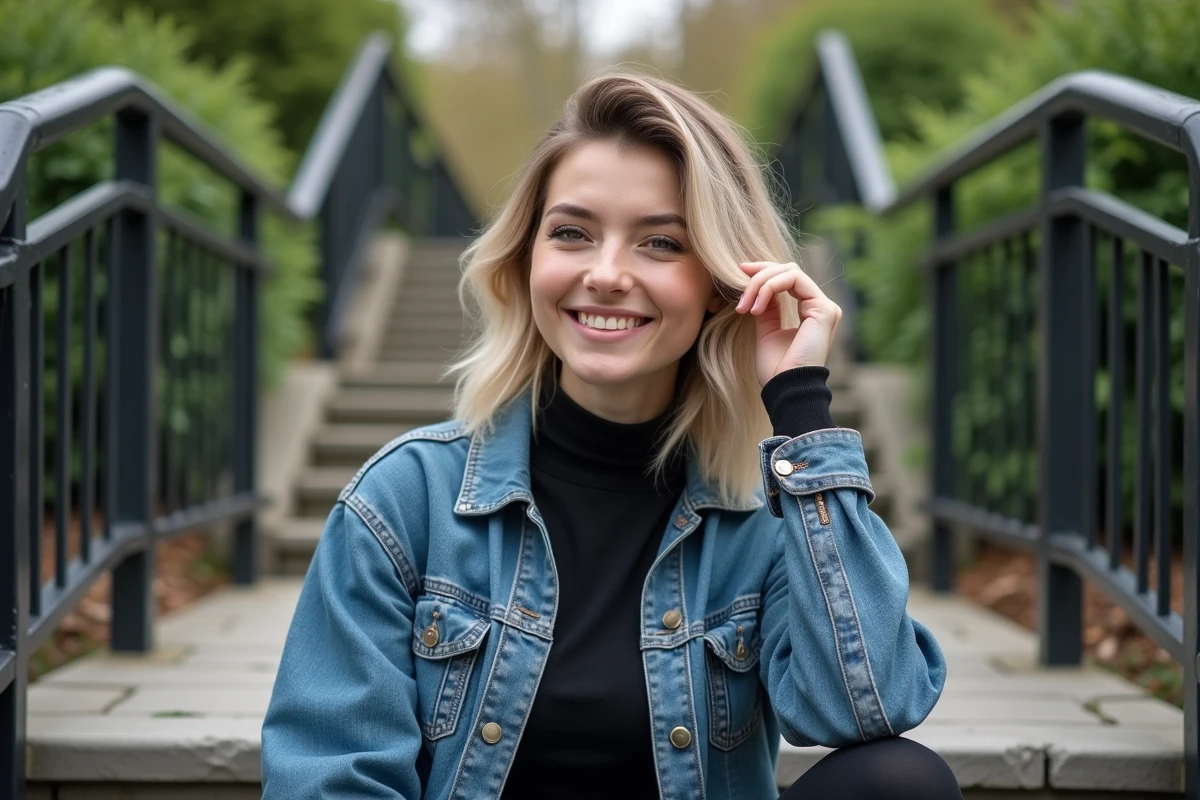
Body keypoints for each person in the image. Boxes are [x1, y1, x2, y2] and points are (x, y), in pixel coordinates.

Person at [260, 71, 958, 800]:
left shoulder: (763, 521)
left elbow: (868, 707)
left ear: (724, 282)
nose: (606, 274)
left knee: (901, 782)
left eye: (659, 242)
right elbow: (330, 776)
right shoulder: (405, 500)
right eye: (571, 233)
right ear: (526, 258)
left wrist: (800, 407)